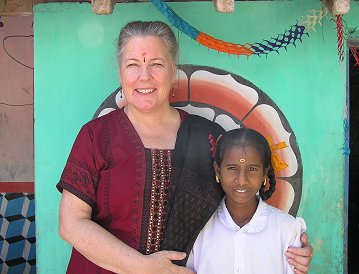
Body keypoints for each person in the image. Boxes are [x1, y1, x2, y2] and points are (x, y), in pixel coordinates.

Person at [57, 20, 313, 274]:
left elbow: (240, 209)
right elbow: (71, 224)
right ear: (120, 73)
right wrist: (144, 267)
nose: (144, 77)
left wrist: (288, 244)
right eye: (132, 65)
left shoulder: (209, 138)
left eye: (156, 64)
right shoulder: (96, 136)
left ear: (173, 70)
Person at [186, 128, 307, 273]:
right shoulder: (199, 227)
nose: (242, 180)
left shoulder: (287, 229)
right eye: (232, 168)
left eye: (252, 169)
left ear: (264, 173)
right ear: (218, 171)